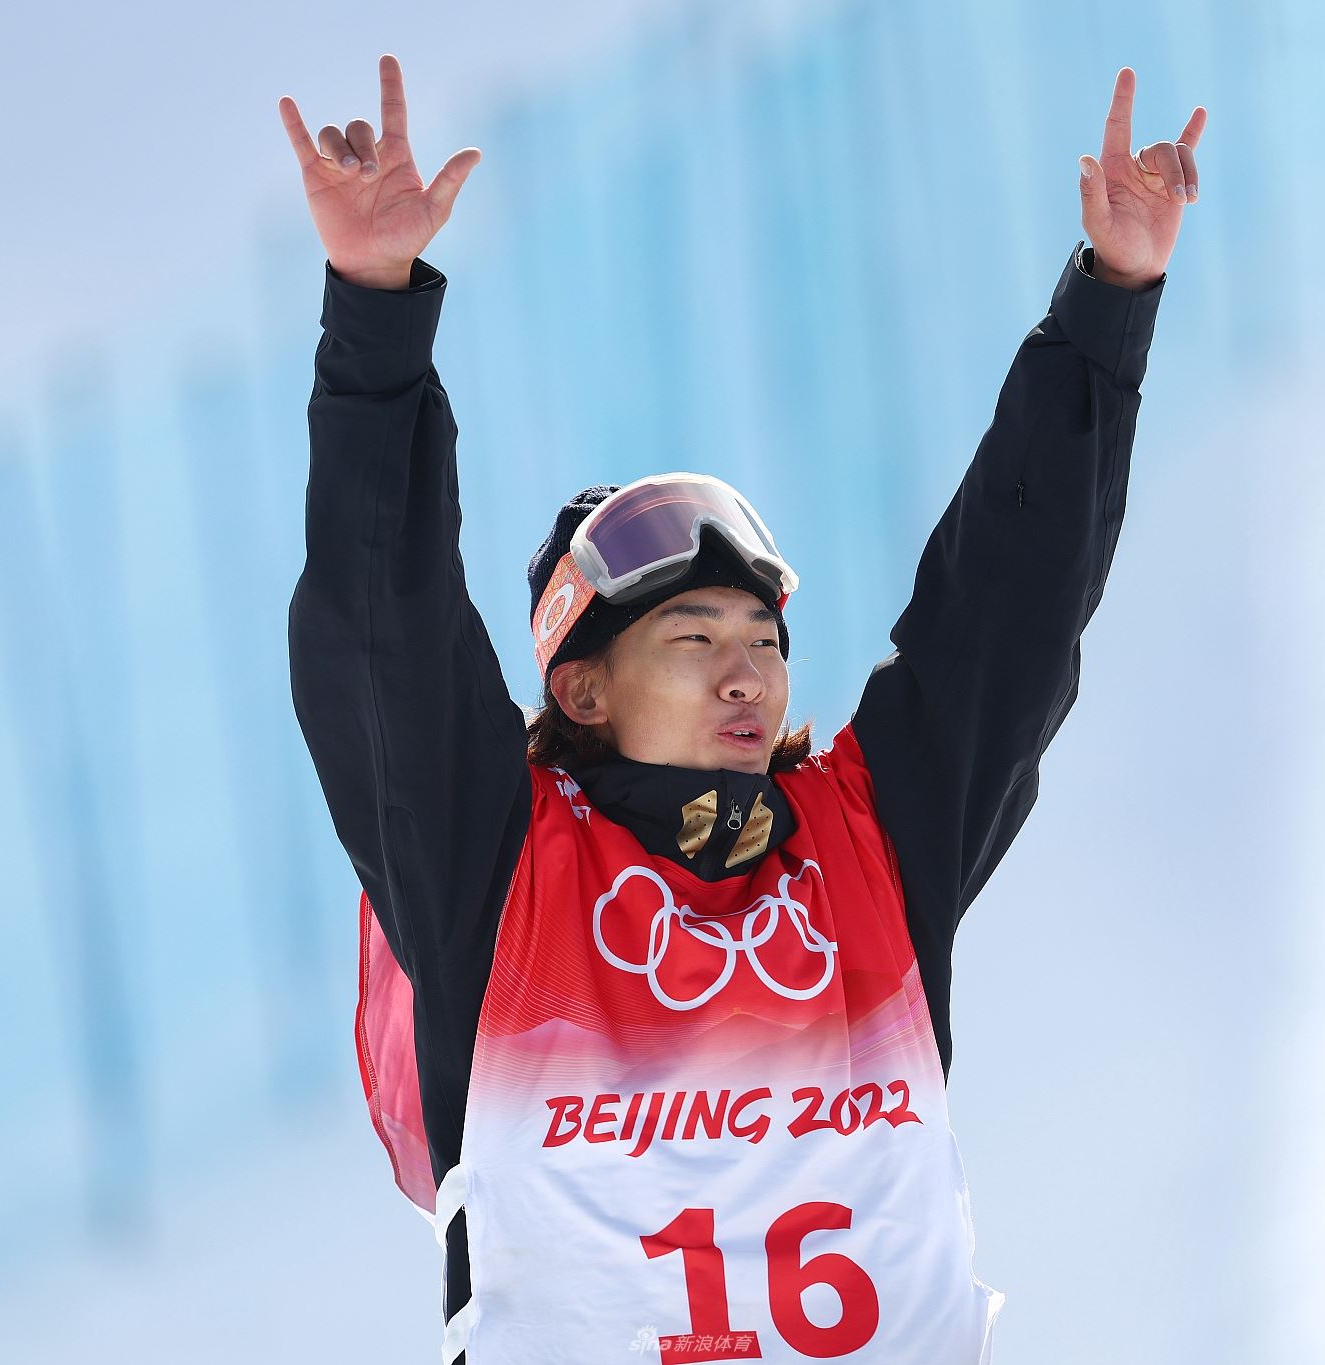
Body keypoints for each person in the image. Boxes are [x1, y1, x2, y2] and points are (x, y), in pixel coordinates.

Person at [278, 53, 1202, 1365]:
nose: (746, 672)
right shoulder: (501, 874)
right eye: (694, 637)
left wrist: (1110, 302)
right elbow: (384, 638)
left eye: (765, 640)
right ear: (581, 687)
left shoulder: (865, 845)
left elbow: (1010, 606)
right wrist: (374, 316)